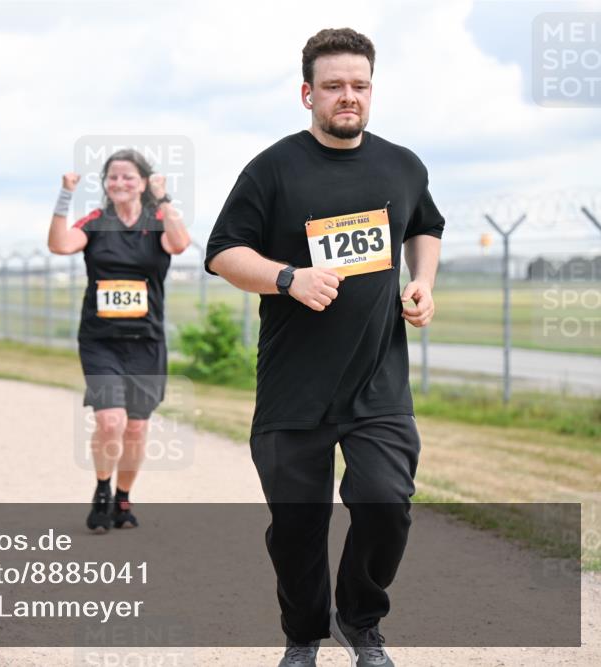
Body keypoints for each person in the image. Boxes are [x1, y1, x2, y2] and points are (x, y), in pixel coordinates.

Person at [205, 28, 444, 667]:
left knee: (385, 504)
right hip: (293, 389)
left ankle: (362, 624)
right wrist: (289, 278)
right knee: (296, 532)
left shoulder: (402, 165)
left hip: (378, 384)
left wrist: (421, 283)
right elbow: (223, 252)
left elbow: (426, 226)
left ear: (372, 91)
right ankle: (304, 637)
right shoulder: (272, 168)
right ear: (307, 93)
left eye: (359, 86)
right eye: (334, 86)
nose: (348, 97)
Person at [47, 149, 191, 532]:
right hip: (101, 341)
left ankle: (124, 497)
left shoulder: (158, 220)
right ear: (105, 184)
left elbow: (179, 244)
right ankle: (102, 489)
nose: (120, 183)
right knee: (111, 421)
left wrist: (163, 199)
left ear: (143, 182)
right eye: (113, 177)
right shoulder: (96, 222)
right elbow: (60, 244)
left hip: (145, 342)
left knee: (136, 428)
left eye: (129, 177)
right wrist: (65, 195)